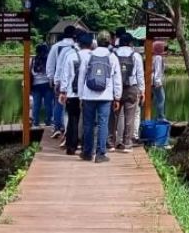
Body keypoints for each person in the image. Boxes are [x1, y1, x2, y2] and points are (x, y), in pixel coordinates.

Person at [77, 30, 122, 163]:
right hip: (105, 96)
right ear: (109, 42)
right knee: (103, 124)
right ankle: (100, 154)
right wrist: (117, 97)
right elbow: (117, 79)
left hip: (88, 96)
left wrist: (80, 96)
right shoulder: (112, 57)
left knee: (88, 124)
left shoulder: (88, 56)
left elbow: (81, 77)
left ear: (96, 41)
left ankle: (87, 153)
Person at [58, 32, 93, 156]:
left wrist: (62, 91)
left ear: (78, 43)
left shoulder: (71, 56)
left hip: (72, 94)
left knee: (73, 119)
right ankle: (86, 146)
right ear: (91, 44)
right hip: (89, 94)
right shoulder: (93, 56)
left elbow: (65, 75)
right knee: (88, 121)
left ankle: (71, 147)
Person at [45, 26, 78, 139]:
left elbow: (51, 63)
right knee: (72, 106)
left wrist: (51, 78)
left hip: (59, 80)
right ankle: (68, 128)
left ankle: (57, 126)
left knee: (58, 103)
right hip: (75, 82)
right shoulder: (77, 47)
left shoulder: (56, 47)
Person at [113, 33, 144, 151]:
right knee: (129, 117)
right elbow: (140, 75)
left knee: (114, 117)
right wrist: (142, 91)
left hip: (116, 88)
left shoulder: (114, 54)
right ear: (131, 43)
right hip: (131, 88)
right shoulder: (136, 55)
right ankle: (127, 143)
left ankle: (112, 142)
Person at [29, 40, 54, 128]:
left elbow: (30, 72)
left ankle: (36, 122)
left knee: (36, 105)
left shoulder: (32, 60)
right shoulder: (48, 60)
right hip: (47, 85)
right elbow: (51, 72)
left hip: (36, 85)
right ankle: (48, 121)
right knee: (48, 105)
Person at [151, 41, 167, 122]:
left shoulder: (154, 57)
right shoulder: (158, 58)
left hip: (152, 81)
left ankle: (157, 117)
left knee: (157, 99)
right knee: (161, 99)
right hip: (156, 82)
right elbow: (157, 71)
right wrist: (158, 82)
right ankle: (160, 117)